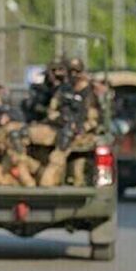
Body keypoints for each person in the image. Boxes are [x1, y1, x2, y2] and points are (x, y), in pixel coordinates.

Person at [37, 57, 100, 186]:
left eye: (77, 71)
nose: (74, 75)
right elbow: (51, 110)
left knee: (65, 139)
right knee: (22, 134)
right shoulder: (63, 90)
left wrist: (81, 127)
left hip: (79, 133)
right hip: (58, 127)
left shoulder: (89, 93)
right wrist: (59, 118)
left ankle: (47, 182)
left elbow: (94, 119)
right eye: (71, 71)